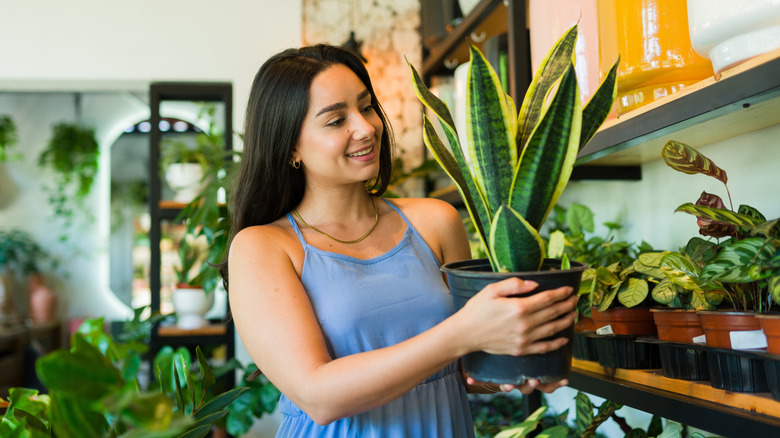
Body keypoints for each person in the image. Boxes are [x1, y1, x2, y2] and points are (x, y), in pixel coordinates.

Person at [223, 44, 577, 437]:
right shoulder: (263, 247)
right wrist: (462, 333)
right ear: (291, 146)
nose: (366, 127)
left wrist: (516, 365)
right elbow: (318, 396)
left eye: (366, 106)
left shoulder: (435, 221)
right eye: (336, 120)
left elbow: (465, 370)